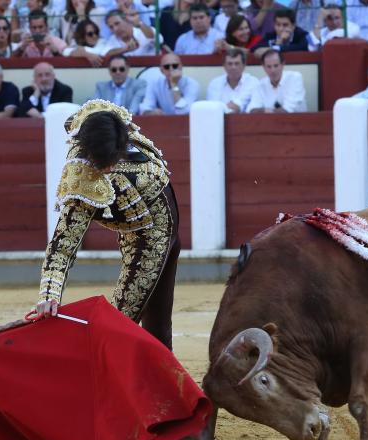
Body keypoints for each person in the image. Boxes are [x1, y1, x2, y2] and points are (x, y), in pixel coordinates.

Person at [35, 99, 182, 351]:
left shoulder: (109, 121)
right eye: (104, 163)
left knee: (135, 325)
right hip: (143, 236)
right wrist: (49, 293)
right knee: (130, 325)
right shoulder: (83, 180)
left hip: (157, 235)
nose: (110, 166)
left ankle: (157, 386)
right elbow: (64, 244)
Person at [247, 49, 307, 113]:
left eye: (276, 66)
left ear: (283, 64)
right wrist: (268, 111)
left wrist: (265, 111)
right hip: (269, 122)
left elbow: (287, 111)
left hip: (297, 121)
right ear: (263, 67)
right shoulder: (260, 84)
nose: (273, 70)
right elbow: (252, 110)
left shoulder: (295, 78)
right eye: (269, 66)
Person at [206, 47, 259, 113]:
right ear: (224, 66)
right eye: (230, 64)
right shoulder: (214, 83)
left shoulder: (253, 82)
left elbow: (237, 106)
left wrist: (223, 107)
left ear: (244, 65)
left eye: (237, 63)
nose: (233, 67)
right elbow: (213, 109)